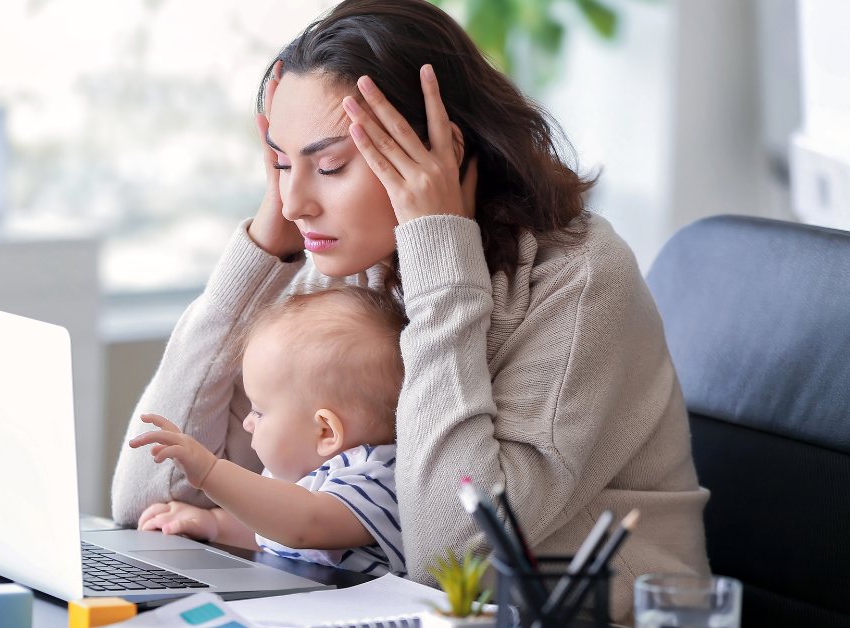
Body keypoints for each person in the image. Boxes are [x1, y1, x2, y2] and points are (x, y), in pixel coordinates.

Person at [111, 0, 709, 619]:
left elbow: (454, 557)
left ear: (440, 151)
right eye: (282, 164)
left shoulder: (578, 277)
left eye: (331, 165)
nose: (295, 202)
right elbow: (147, 499)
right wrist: (263, 250)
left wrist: (440, 257)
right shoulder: (354, 258)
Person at [129, 286, 407, 576]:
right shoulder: (297, 481)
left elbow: (304, 525)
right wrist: (213, 524)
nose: (248, 423)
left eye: (258, 411)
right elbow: (271, 532)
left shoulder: (377, 476)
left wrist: (210, 472)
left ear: (325, 432)